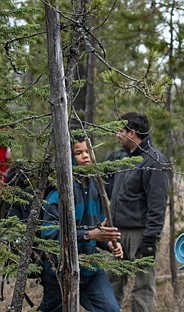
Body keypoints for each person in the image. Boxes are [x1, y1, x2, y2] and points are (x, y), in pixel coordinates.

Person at [40, 136, 123, 312]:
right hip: (60, 271)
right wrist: (90, 235)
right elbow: (49, 235)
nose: (85, 156)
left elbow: (97, 230)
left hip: (91, 269)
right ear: (69, 157)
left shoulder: (95, 187)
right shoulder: (59, 191)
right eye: (78, 153)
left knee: (111, 309)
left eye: (87, 152)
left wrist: (108, 244)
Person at [108, 112, 169, 312]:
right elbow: (114, 192)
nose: (118, 134)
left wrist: (150, 239)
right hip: (117, 232)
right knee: (112, 283)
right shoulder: (124, 158)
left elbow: (157, 204)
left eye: (121, 130)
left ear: (132, 133)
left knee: (142, 287)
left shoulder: (154, 160)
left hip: (141, 233)